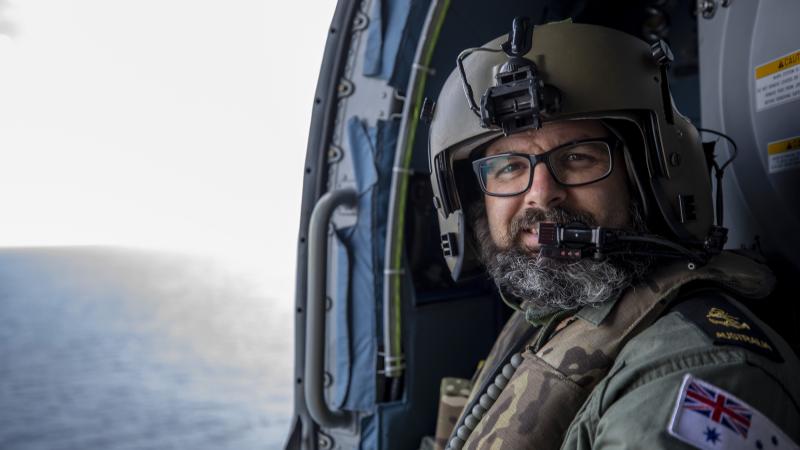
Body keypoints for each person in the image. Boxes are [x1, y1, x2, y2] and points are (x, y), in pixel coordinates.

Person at [426, 18, 800, 450]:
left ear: (648, 179)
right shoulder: (548, 316)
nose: (541, 196)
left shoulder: (689, 370)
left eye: (578, 158)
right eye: (509, 168)